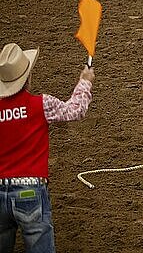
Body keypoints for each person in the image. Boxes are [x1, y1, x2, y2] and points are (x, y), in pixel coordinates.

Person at [0, 43, 94, 253]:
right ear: (27, 77)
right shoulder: (41, 104)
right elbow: (75, 110)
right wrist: (84, 82)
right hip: (29, 191)